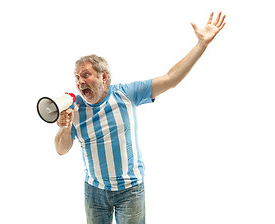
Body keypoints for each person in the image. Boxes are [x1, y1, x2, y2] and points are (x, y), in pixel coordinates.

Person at [54, 12, 226, 224]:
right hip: (94, 191)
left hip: (130, 190)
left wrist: (201, 45)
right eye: (77, 77)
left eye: (85, 75)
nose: (80, 81)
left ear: (103, 76)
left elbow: (171, 79)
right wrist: (64, 127)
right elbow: (61, 150)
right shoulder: (74, 109)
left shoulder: (126, 93)